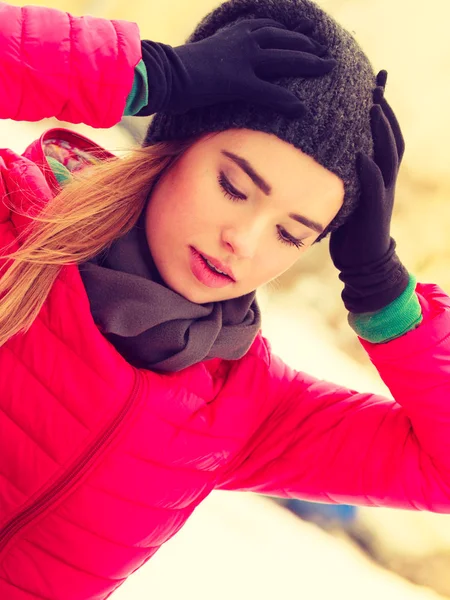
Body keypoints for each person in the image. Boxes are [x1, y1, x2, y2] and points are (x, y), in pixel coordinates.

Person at [0, 0, 448, 598]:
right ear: (178, 144)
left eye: (291, 233)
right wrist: (144, 75)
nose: (244, 241)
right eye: (233, 187)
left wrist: (383, 287)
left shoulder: (244, 406)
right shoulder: (15, 221)